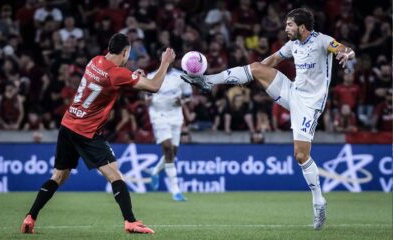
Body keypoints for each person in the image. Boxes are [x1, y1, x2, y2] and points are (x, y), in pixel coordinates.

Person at [182, 8, 355, 230]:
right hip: (292, 91)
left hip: (310, 104)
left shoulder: (323, 41)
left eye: (290, 25)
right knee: (255, 66)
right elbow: (273, 59)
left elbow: (341, 48)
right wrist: (253, 74)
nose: (286, 28)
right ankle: (208, 81)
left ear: (302, 27)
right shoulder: (293, 45)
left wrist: (346, 54)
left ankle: (318, 201)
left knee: (301, 155)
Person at [21, 33, 176, 234]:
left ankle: (30, 218)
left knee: (58, 176)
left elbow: (114, 79)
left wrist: (134, 76)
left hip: (68, 124)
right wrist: (164, 63)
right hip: (87, 131)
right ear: (126, 52)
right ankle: (130, 221)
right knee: (114, 174)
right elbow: (153, 86)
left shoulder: (95, 61)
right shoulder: (118, 74)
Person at [146, 67, 192, 201]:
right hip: (159, 116)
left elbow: (188, 96)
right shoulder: (152, 75)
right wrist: (147, 100)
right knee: (167, 148)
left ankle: (154, 171)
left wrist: (182, 101)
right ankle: (175, 191)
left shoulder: (181, 76)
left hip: (176, 116)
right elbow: (147, 98)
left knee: (173, 152)